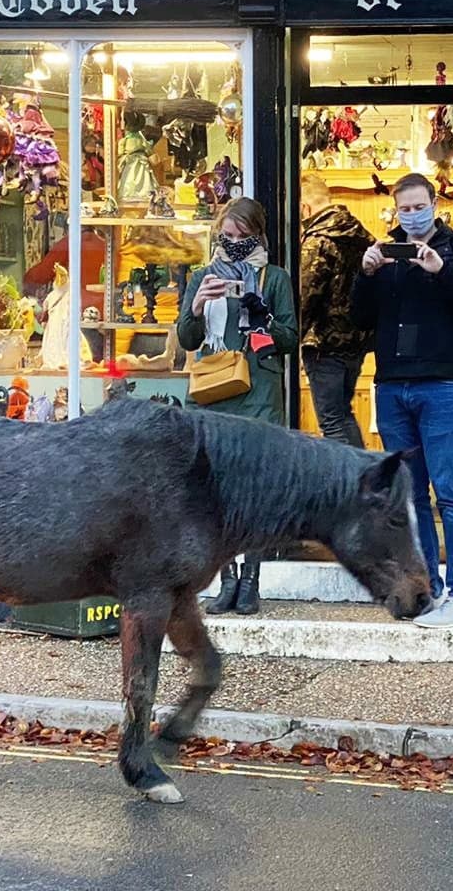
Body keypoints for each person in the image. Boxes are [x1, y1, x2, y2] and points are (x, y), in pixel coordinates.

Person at [354, 173, 453, 628]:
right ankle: (426, 591)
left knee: (450, 491)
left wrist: (442, 271)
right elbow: (358, 317)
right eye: (404, 208)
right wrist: (365, 273)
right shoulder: (387, 253)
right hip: (393, 385)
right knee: (410, 496)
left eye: (418, 206)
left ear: (435, 204)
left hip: (443, 385)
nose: (411, 216)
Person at [177, 197, 298, 617]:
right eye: (227, 236)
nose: (233, 243)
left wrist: (261, 316)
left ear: (257, 235)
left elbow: (290, 338)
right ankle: (225, 580)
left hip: (258, 392)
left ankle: (251, 581)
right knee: (215, 494)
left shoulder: (275, 277)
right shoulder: (202, 276)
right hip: (212, 391)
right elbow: (187, 338)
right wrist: (196, 306)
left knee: (254, 491)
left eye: (242, 237)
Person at [298, 176, 375, 448]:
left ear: (305, 207)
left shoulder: (317, 241)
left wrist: (288, 338)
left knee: (332, 420)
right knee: (343, 414)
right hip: (356, 343)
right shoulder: (362, 236)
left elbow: (306, 296)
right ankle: (364, 477)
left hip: (323, 344)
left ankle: (354, 482)